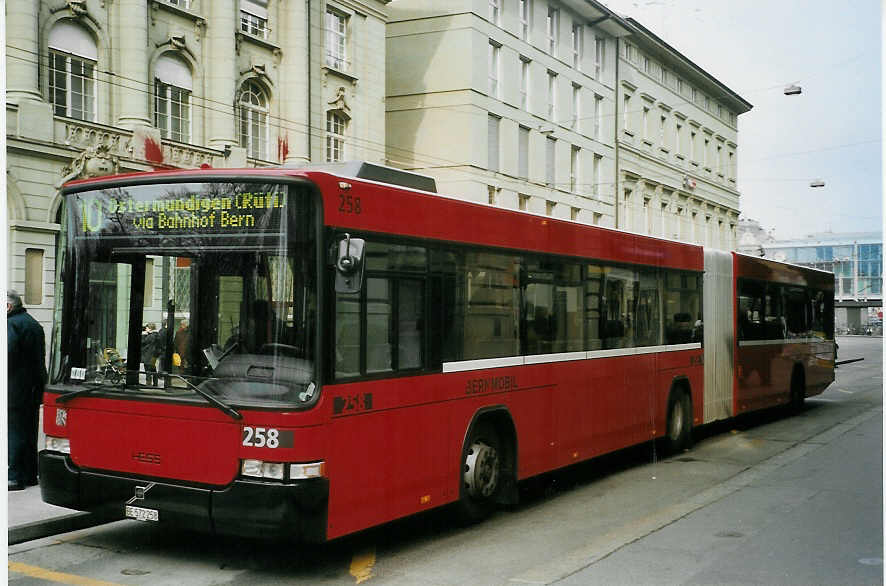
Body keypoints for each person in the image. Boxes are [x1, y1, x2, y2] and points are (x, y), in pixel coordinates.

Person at [7, 290, 47, 491]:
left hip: (13, 389)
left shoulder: (11, 324)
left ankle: (13, 476)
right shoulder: (33, 323)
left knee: (13, 431)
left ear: (8, 306)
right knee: (29, 431)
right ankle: (30, 474)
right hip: (32, 388)